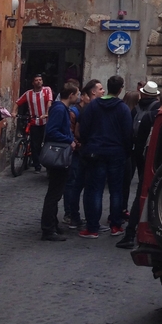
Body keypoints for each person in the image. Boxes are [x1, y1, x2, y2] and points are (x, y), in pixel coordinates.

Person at [116, 87, 162, 250]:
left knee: (141, 197)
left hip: (149, 163)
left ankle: (131, 234)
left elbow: (139, 144)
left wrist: (142, 164)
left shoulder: (149, 117)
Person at [78, 75, 133, 238]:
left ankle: (92, 228)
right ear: (120, 89)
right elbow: (128, 133)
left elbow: (84, 129)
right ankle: (115, 225)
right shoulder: (123, 108)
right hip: (116, 152)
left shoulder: (93, 106)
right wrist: (126, 151)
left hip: (96, 152)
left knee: (95, 190)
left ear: (108, 87)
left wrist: (89, 144)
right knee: (116, 190)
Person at [40, 84, 79, 241]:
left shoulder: (61, 109)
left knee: (56, 193)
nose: (78, 97)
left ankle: (53, 224)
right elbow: (52, 131)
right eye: (77, 94)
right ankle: (48, 229)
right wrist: (69, 140)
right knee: (54, 194)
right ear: (70, 95)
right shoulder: (59, 109)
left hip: (60, 154)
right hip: (58, 155)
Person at [63, 79, 101, 229]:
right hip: (78, 151)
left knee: (78, 184)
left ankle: (74, 215)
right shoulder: (77, 111)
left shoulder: (85, 110)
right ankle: (71, 215)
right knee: (74, 184)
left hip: (82, 151)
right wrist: (78, 143)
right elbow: (74, 132)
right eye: (100, 89)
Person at [16, 74, 53, 171]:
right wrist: (13, 112)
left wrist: (46, 113)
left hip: (45, 121)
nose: (38, 81)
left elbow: (49, 102)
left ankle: (46, 162)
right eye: (36, 80)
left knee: (45, 142)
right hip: (34, 121)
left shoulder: (47, 90)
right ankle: (37, 165)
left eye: (40, 80)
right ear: (33, 83)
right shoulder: (28, 93)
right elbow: (18, 102)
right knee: (34, 144)